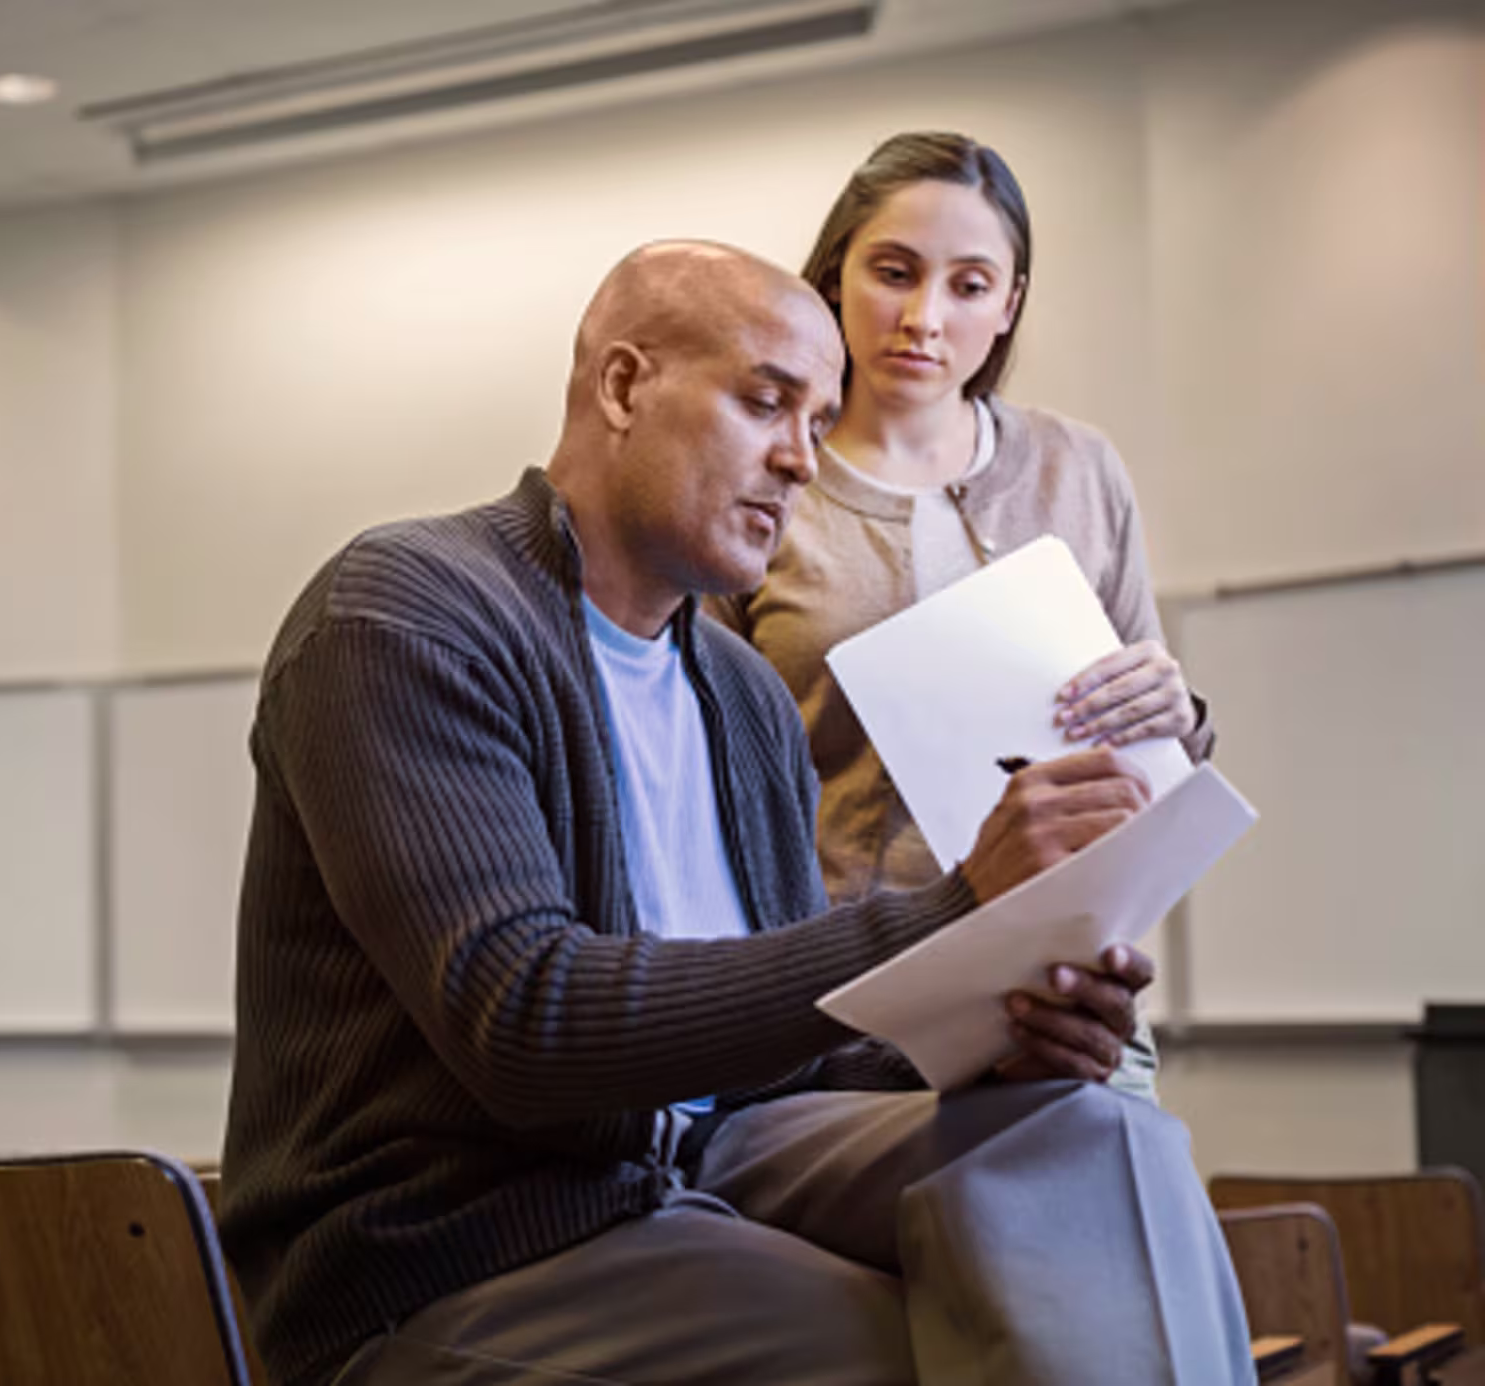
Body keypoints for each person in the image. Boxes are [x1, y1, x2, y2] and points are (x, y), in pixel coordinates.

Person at [218, 239, 1252, 1386]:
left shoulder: (742, 691)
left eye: (817, 423)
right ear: (622, 386)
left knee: (1093, 1139)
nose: (801, 460)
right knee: (937, 1345)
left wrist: (1002, 1041)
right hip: (453, 1248)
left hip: (711, 1160)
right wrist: (954, 911)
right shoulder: (406, 614)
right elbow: (525, 1023)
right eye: (767, 404)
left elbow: (782, 1079)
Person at [713, 132, 1217, 1099]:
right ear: (832, 278)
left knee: (1102, 1219)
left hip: (1066, 987)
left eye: (970, 285)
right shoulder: (765, 483)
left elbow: (1152, 771)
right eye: (893, 273)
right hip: (854, 999)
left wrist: (1180, 716)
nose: (923, 318)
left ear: (1010, 303)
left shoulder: (1081, 469)